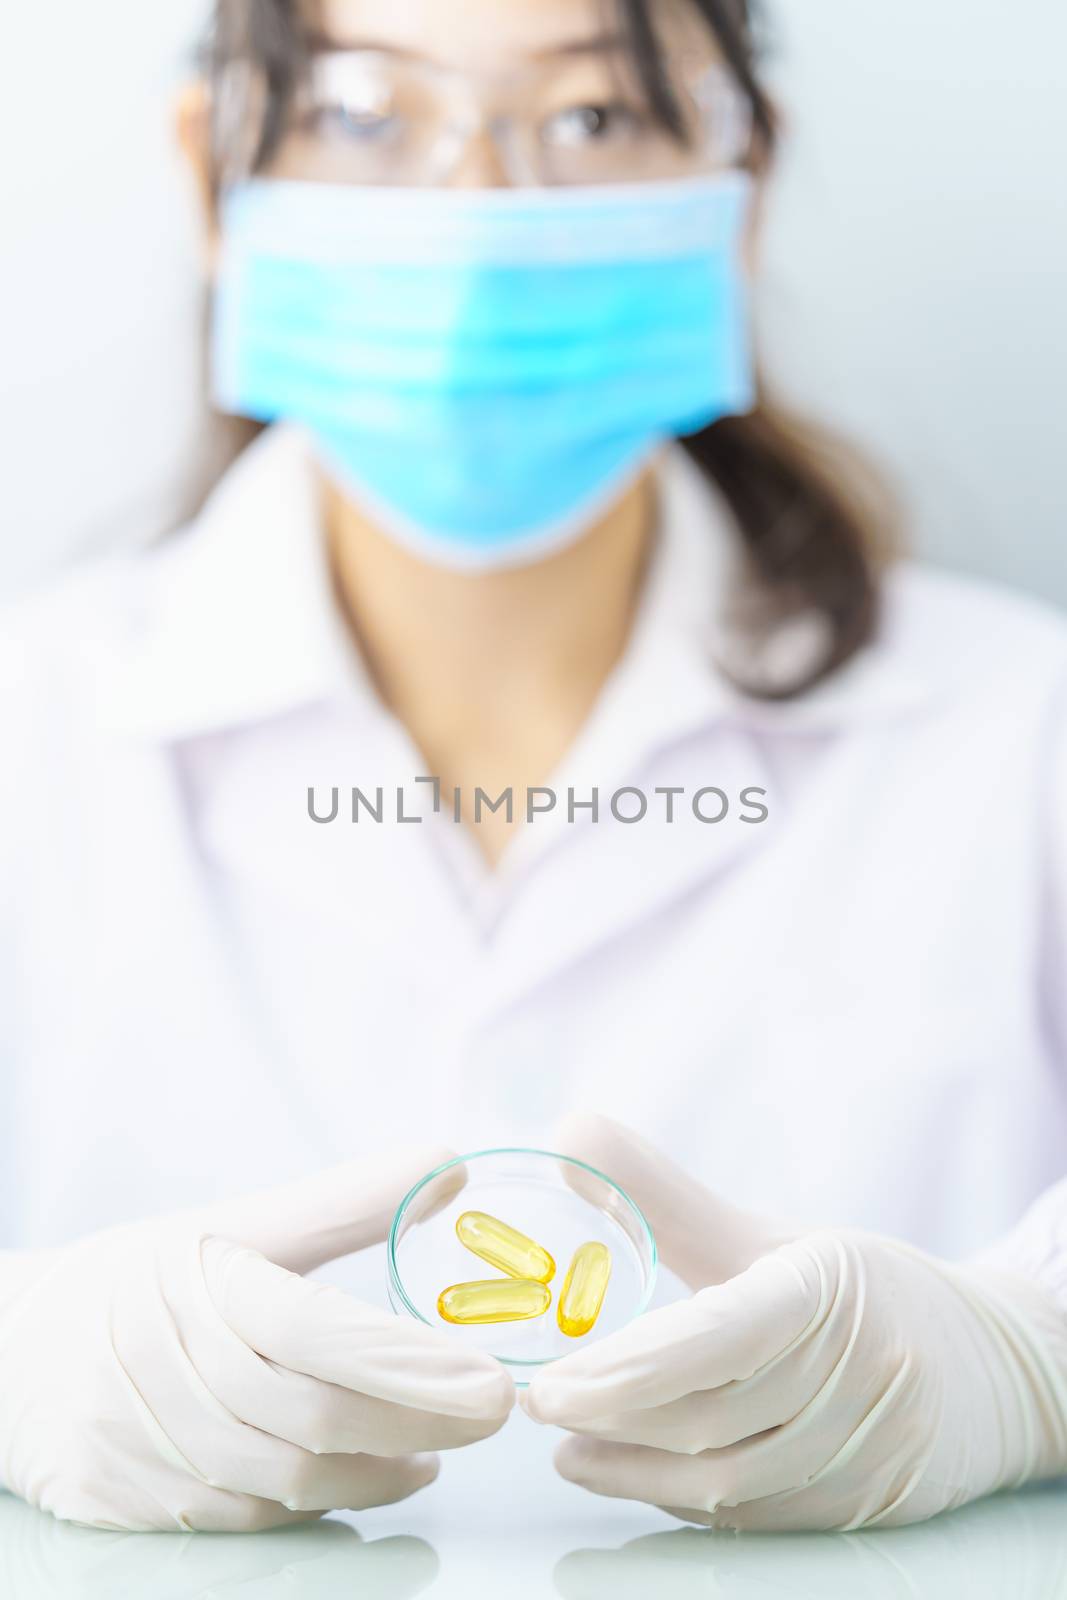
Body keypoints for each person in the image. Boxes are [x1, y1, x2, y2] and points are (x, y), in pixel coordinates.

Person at [1, 0, 1066, 1536]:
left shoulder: (1021, 725)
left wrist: (1029, 1357)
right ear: (209, 170)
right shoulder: (36, 722)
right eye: (368, 116)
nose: (480, 216)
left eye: (589, 119)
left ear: (738, 185)